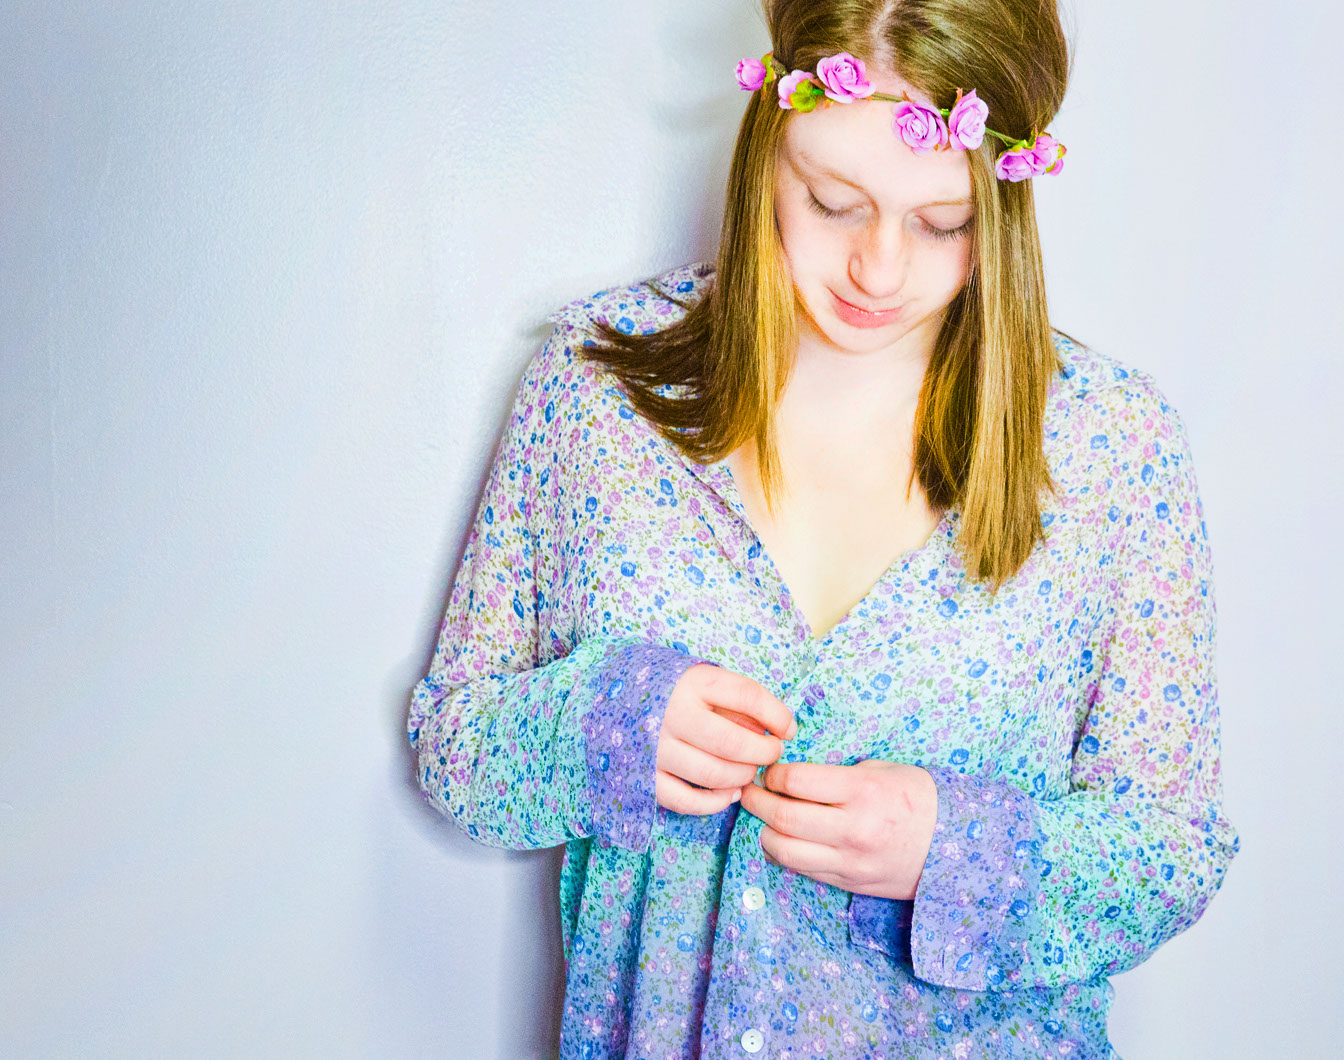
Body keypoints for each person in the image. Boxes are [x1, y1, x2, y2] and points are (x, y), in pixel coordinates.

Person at [407, 0, 1240, 1055]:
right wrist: (607, 724)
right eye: (834, 202)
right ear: (767, 149)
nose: (878, 271)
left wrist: (958, 853)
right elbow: (457, 744)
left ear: (1005, 208)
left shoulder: (1116, 451)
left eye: (943, 224)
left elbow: (1171, 853)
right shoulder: (594, 395)